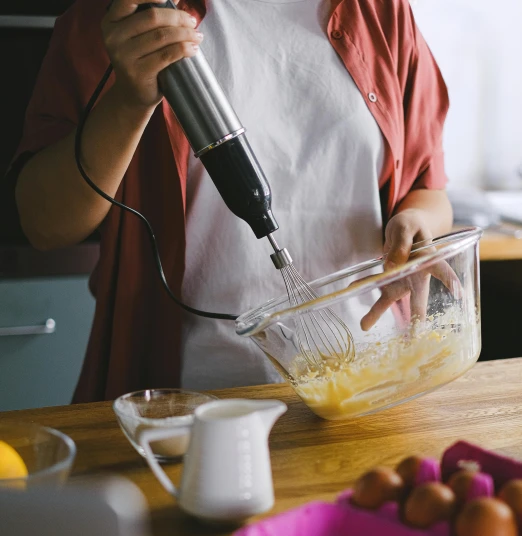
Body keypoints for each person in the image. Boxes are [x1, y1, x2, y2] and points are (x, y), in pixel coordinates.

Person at [12, 0, 453, 401]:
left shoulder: (380, 12)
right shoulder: (123, 17)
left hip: (374, 383)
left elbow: (429, 188)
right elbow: (45, 225)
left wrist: (416, 224)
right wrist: (128, 101)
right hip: (195, 403)